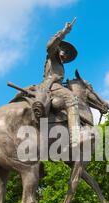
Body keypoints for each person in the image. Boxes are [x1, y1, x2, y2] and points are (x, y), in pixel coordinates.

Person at [37, 19, 81, 148]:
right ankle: (75, 137)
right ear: (59, 48)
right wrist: (64, 32)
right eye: (64, 49)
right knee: (72, 99)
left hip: (56, 86)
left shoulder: (60, 64)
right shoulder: (52, 55)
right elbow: (50, 45)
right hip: (51, 85)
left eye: (67, 52)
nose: (65, 53)